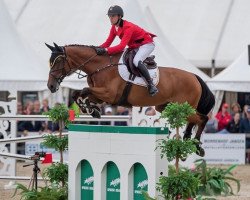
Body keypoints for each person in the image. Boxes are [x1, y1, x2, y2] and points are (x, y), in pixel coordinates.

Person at [97, 5, 158, 96]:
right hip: (135, 46)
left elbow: (121, 46)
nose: (110, 18)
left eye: (113, 16)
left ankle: (151, 84)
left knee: (136, 61)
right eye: (109, 16)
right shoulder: (114, 27)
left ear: (120, 16)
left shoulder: (128, 27)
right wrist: (96, 49)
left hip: (147, 44)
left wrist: (105, 51)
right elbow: (107, 43)